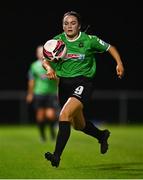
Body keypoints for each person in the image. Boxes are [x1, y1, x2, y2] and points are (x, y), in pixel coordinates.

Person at [42, 11, 124, 167]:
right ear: (62, 26)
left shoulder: (89, 40)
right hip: (64, 85)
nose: (69, 26)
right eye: (66, 23)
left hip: (83, 83)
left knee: (64, 115)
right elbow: (45, 59)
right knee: (79, 125)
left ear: (79, 25)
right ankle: (101, 135)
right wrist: (48, 68)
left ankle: (56, 156)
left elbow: (110, 48)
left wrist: (119, 63)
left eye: (73, 23)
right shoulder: (56, 41)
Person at [26, 45, 59, 142]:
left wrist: (58, 90)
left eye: (42, 52)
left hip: (51, 93)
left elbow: (58, 79)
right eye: (39, 52)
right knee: (40, 116)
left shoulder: (52, 64)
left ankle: (52, 133)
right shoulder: (34, 66)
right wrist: (30, 94)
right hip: (39, 93)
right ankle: (42, 136)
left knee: (50, 115)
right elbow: (31, 81)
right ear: (37, 54)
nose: (40, 54)